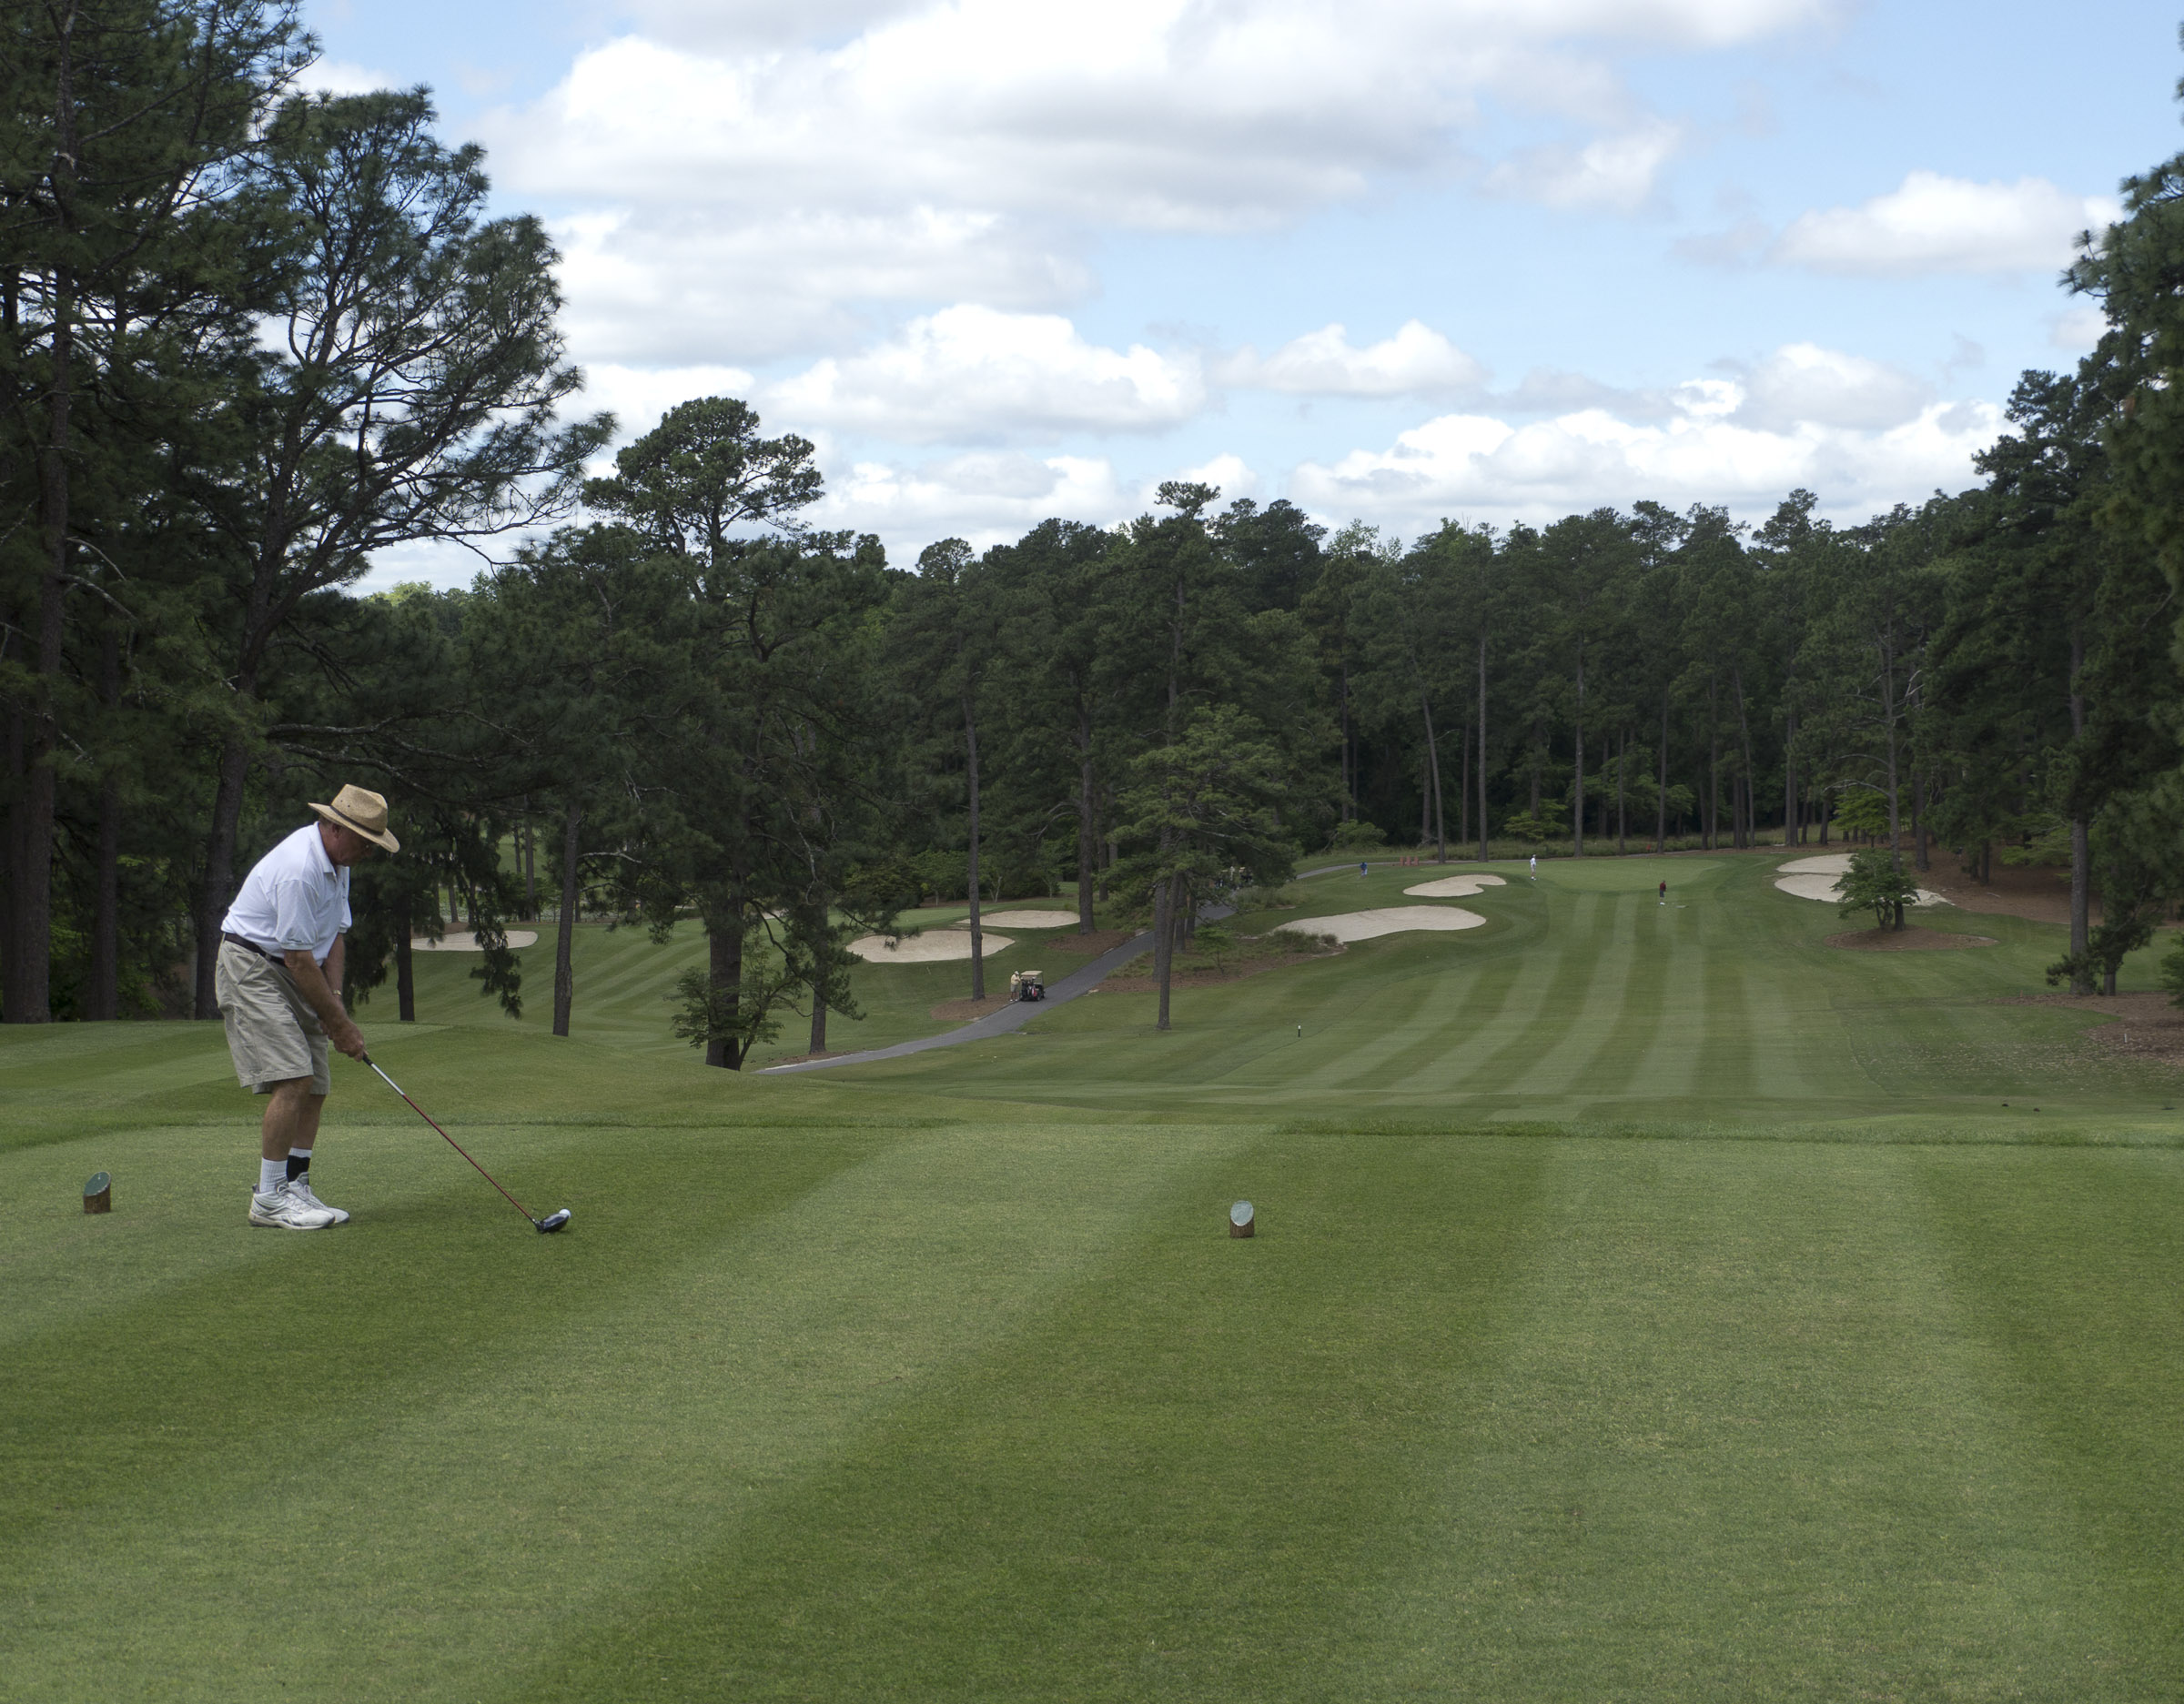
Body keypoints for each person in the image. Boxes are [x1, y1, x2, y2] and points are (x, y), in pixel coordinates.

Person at [217, 785, 399, 1230]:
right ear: (334, 828)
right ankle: (269, 1198)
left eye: (374, 844)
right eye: (364, 842)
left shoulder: (339, 864)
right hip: (253, 964)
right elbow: (297, 956)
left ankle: (295, 1185)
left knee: (315, 1081)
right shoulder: (300, 868)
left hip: (296, 967)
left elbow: (333, 936)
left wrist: (333, 1002)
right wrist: (341, 1026)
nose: (368, 852)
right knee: (295, 1076)